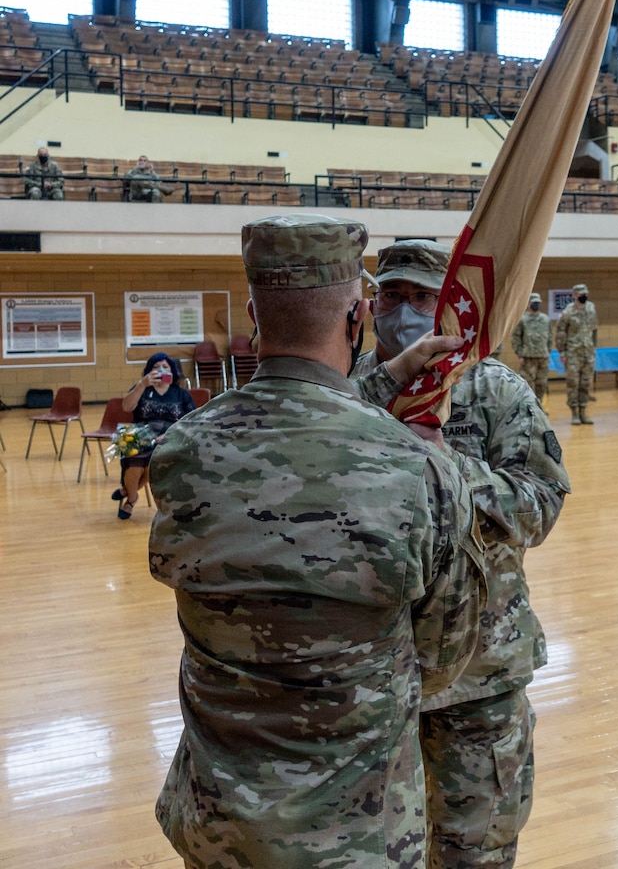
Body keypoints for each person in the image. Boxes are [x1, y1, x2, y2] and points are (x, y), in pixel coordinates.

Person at [148, 215, 486, 869]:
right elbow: (448, 659)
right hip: (356, 838)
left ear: (251, 313)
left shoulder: (183, 453)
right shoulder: (419, 469)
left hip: (219, 827)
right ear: (358, 316)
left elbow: (292, 415)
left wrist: (385, 378)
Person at [352, 238, 570, 869]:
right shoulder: (345, 394)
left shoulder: (495, 391)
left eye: (422, 296)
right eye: (391, 295)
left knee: (476, 849)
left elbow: (539, 507)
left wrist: (443, 470)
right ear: (370, 304)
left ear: (447, 305)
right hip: (368, 670)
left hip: (479, 667)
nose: (404, 309)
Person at [116, 352, 195, 519]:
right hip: (140, 435)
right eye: (156, 367)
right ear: (148, 371)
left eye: (165, 367)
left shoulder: (181, 393)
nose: (161, 370)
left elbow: (191, 420)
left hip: (170, 436)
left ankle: (129, 492)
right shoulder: (142, 388)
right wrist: (142, 385)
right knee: (135, 462)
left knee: (151, 463)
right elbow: (126, 407)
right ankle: (132, 497)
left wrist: (170, 434)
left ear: (172, 371)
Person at [555, 282, 598, 425]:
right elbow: (560, 333)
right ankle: (574, 413)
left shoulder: (591, 308)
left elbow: (594, 329)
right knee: (573, 383)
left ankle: (583, 412)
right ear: (574, 296)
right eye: (581, 294)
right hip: (573, 353)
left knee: (585, 383)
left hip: (588, 353)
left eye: (585, 294)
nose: (584, 296)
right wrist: (562, 352)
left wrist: (594, 347)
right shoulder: (568, 312)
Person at [510, 291, 553, 406]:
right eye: (534, 302)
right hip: (528, 357)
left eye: (538, 303)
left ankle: (538, 405)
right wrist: (519, 354)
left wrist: (548, 353)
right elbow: (516, 338)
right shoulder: (523, 319)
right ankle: (530, 406)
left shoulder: (545, 319)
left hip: (543, 356)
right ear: (528, 304)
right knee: (528, 383)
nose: (536, 305)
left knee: (542, 383)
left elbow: (550, 338)